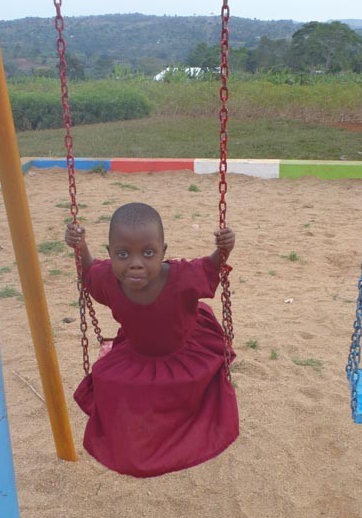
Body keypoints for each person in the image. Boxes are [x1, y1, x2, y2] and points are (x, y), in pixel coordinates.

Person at [64, 201, 239, 478]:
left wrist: (223, 249)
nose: (136, 264)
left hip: (183, 352)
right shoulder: (107, 279)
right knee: (107, 382)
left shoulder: (182, 278)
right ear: (109, 255)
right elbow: (88, 272)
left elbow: (209, 268)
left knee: (195, 392)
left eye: (148, 253)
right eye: (123, 254)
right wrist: (80, 246)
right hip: (139, 352)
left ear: (163, 253)